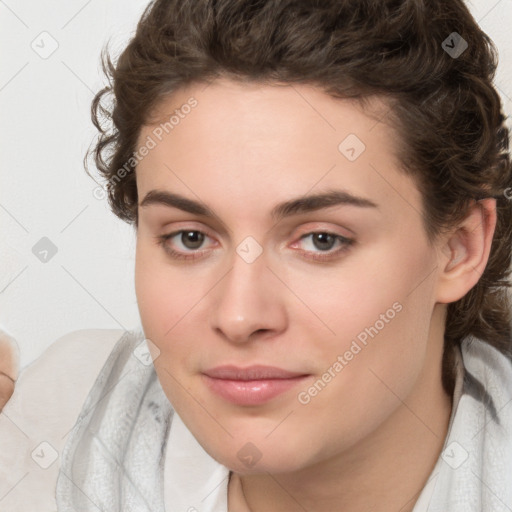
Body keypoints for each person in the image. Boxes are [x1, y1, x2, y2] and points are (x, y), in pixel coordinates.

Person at [1, 0, 512, 510]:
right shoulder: (49, 424)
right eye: (191, 238)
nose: (239, 316)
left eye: (321, 240)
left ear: (458, 248)